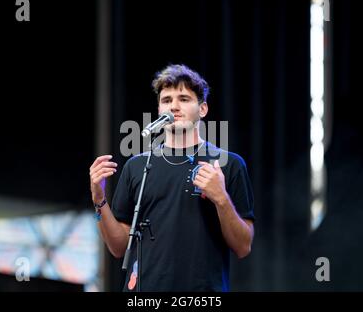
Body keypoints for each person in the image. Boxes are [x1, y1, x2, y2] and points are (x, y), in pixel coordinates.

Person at [89, 64, 255, 292]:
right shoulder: (137, 166)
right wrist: (99, 198)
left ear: (203, 109)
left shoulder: (227, 164)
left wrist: (221, 198)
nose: (174, 106)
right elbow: (118, 248)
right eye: (167, 100)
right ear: (159, 110)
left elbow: (243, 246)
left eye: (184, 99)